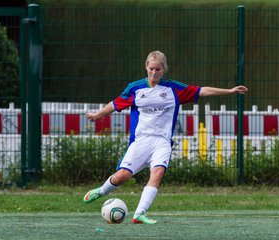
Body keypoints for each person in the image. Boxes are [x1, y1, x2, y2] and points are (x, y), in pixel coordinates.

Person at [83, 51, 248, 224]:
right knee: (122, 176)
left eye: (158, 69)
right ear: (146, 67)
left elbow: (202, 91)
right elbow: (115, 104)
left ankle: (139, 213)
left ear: (164, 70)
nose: (154, 72)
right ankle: (101, 191)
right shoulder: (135, 88)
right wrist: (97, 115)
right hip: (140, 141)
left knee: (158, 171)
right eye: (151, 68)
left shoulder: (173, 89)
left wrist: (230, 91)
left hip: (162, 142)